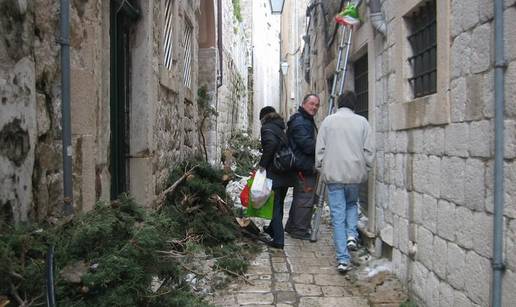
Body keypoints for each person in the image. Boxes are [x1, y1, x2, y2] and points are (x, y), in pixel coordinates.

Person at [315, 91, 374, 273]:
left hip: (334, 176)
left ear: (339, 103)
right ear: (354, 104)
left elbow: (320, 150)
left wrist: (322, 168)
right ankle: (351, 235)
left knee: (337, 216)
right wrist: (366, 169)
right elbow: (369, 151)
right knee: (351, 205)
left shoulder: (328, 122)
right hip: (354, 175)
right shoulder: (362, 122)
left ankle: (342, 259)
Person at [258, 106, 296, 249]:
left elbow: (271, 145)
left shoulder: (267, 128)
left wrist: (262, 165)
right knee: (278, 204)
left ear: (264, 117)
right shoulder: (279, 127)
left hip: (275, 172)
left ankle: (278, 241)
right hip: (286, 172)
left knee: (275, 206)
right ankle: (273, 229)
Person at [284, 94, 320, 240]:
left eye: (317, 105)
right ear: (304, 104)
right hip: (303, 166)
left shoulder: (304, 120)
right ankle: (299, 231)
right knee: (305, 199)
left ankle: (292, 226)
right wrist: (322, 146)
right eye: (312, 104)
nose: (315, 107)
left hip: (302, 165)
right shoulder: (301, 121)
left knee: (300, 197)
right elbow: (307, 146)